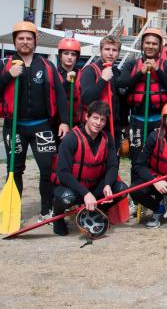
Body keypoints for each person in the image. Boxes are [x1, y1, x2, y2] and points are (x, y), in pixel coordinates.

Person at [0, 21, 69, 221]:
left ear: (35, 41)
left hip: (42, 126)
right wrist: (8, 75)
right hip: (14, 127)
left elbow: (61, 96)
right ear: (14, 41)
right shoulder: (3, 64)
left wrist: (64, 121)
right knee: (15, 169)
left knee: (48, 169)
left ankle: (46, 210)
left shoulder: (47, 66)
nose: (25, 42)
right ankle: (14, 212)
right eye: (20, 38)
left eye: (29, 38)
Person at [50, 100, 127, 236]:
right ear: (87, 117)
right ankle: (58, 219)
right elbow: (63, 173)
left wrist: (108, 184)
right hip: (74, 188)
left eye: (102, 120)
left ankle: (94, 211)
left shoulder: (107, 138)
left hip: (94, 186)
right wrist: (85, 193)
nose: (98, 123)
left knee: (121, 189)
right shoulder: (71, 139)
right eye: (95, 118)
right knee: (66, 197)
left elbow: (113, 166)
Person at [117, 27, 167, 159]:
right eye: (147, 43)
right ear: (142, 44)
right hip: (137, 120)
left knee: (158, 158)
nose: (150, 46)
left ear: (160, 46)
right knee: (137, 159)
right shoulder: (131, 65)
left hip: (160, 121)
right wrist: (140, 73)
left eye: (154, 43)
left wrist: (158, 70)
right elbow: (121, 88)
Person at [80, 35, 125, 146]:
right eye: (107, 49)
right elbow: (86, 98)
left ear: (118, 53)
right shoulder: (90, 70)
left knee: (113, 162)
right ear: (101, 50)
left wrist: (124, 124)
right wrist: (103, 80)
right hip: (95, 127)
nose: (110, 53)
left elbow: (121, 102)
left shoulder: (117, 72)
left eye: (114, 50)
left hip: (114, 127)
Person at [56, 37, 82, 126]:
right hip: (58, 122)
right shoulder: (53, 73)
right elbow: (53, 96)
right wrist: (66, 82)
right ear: (60, 55)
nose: (70, 57)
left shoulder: (82, 74)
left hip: (77, 122)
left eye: (73, 54)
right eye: (66, 53)